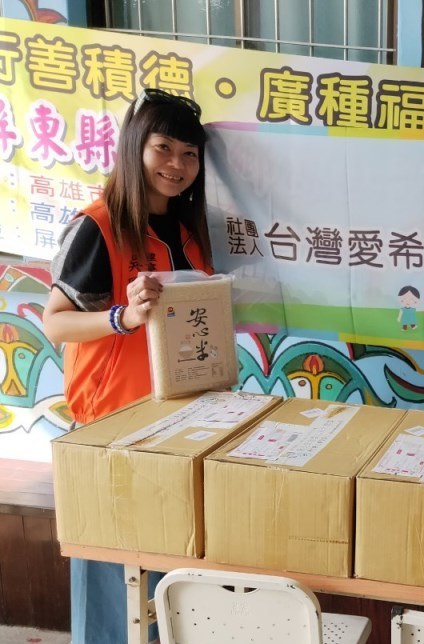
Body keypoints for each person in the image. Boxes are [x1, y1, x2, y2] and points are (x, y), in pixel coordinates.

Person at [42, 88, 213, 644]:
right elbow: (55, 323)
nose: (176, 165)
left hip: (179, 426)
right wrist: (123, 317)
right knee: (110, 586)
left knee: (165, 584)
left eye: (189, 154)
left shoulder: (186, 232)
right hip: (111, 430)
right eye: (163, 148)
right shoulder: (99, 226)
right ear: (134, 146)